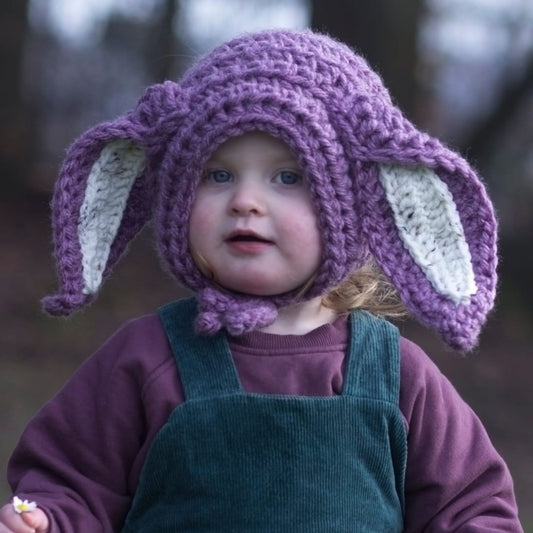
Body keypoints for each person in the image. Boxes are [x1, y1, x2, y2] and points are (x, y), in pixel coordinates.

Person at [0, 29, 524, 532]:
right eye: (219, 174)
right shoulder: (147, 358)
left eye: (288, 177)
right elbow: (70, 479)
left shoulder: (398, 376)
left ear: (361, 204)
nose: (245, 201)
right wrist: (49, 518)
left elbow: (471, 507)